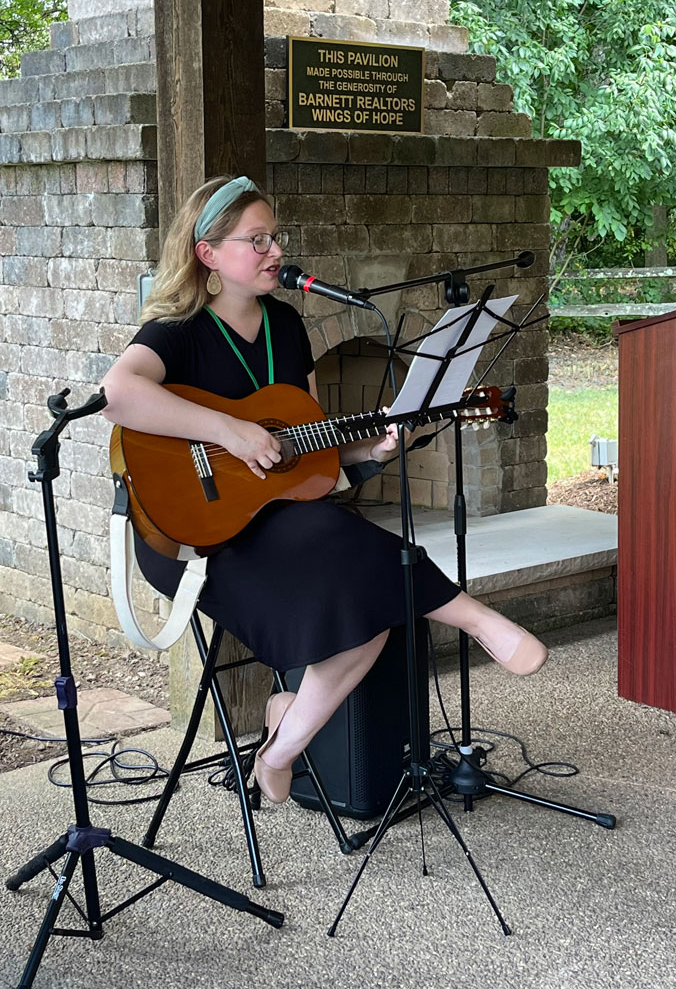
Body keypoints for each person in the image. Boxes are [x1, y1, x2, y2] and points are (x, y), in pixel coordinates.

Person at [101, 174, 548, 805]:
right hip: (191, 538)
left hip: (279, 521)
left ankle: (279, 749)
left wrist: (371, 446)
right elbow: (120, 395)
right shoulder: (178, 330)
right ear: (208, 254)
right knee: (347, 544)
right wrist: (229, 430)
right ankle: (474, 618)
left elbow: (307, 446)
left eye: (274, 237)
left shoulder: (286, 325)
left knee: (371, 602)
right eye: (256, 241)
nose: (275, 252)